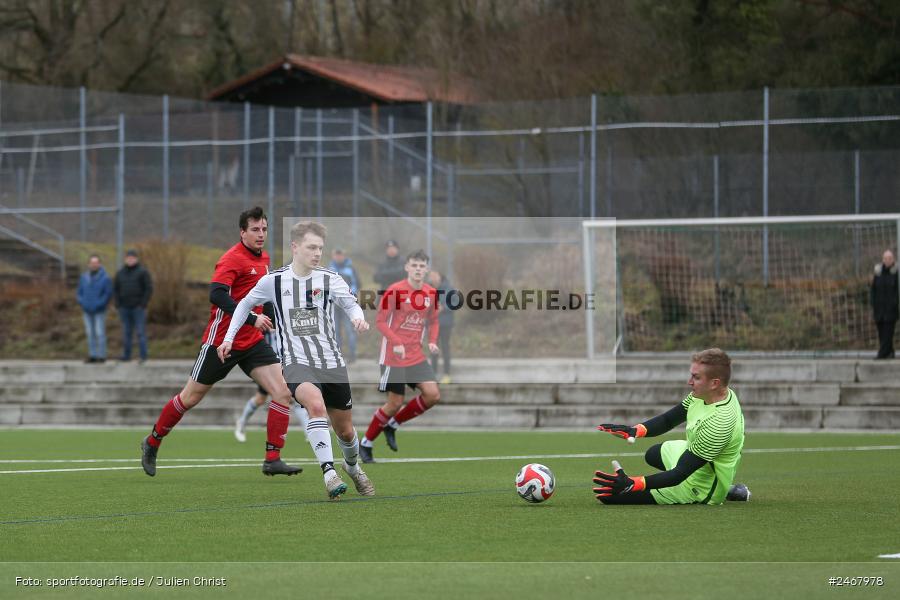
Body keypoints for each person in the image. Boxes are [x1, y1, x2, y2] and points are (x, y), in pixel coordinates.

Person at [139, 207, 301, 478]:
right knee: (190, 398)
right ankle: (152, 441)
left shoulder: (264, 258)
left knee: (283, 392)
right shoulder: (231, 259)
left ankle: (272, 459)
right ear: (242, 232)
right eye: (255, 229)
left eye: (264, 229)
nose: (261, 234)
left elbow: (262, 296)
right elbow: (216, 294)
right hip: (221, 342)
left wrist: (274, 318)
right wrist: (251, 318)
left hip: (252, 342)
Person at [219, 220, 375, 500]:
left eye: (320, 248)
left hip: (331, 363)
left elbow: (351, 304)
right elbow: (243, 305)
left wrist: (357, 318)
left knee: (346, 431)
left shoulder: (330, 278)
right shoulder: (274, 281)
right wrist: (229, 338)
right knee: (315, 407)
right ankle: (329, 473)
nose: (317, 253)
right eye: (311, 247)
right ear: (294, 247)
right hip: (295, 361)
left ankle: (352, 467)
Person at [593, 348, 749, 505]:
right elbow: (668, 420)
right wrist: (635, 431)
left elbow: (679, 474)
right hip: (695, 455)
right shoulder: (707, 394)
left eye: (696, 377)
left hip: (700, 486)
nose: (689, 382)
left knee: (610, 496)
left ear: (714, 383)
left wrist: (633, 483)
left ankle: (724, 490)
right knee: (653, 454)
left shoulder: (720, 423)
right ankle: (727, 487)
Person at [360, 250, 441, 464]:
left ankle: (393, 425)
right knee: (395, 402)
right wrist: (396, 342)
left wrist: (432, 341)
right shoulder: (395, 291)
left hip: (415, 354)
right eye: (414, 265)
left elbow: (434, 320)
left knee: (432, 395)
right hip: (393, 356)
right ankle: (365, 443)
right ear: (407, 267)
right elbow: (380, 322)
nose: (418, 269)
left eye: (422, 266)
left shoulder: (431, 293)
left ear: (427, 269)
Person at [235, 330, 310, 442]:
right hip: (268, 365)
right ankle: (242, 422)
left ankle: (308, 432)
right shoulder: (264, 324)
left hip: (286, 364)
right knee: (261, 398)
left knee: (293, 397)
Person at [114, 249, 153, 363]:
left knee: (140, 332)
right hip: (124, 308)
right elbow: (116, 289)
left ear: (136, 259)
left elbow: (148, 288)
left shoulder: (143, 272)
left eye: (132, 258)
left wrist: (143, 303)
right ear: (125, 259)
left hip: (138, 308)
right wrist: (118, 304)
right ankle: (127, 355)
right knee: (126, 333)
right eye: (128, 258)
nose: (130, 260)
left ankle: (143, 355)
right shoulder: (120, 273)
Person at [76, 254, 112, 363]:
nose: (94, 265)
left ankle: (101, 356)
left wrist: (99, 304)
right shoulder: (84, 277)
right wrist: (82, 303)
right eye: (92, 263)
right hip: (87, 310)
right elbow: (79, 293)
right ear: (89, 264)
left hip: (99, 311)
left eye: (96, 263)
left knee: (99, 333)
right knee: (90, 333)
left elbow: (107, 294)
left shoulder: (105, 278)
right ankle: (93, 355)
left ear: (99, 264)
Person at [328, 248, 361, 362]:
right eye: (336, 255)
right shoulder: (329, 268)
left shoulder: (351, 268)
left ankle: (352, 355)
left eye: (340, 255)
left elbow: (357, 284)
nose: (338, 257)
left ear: (344, 256)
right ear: (333, 256)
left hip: (347, 305)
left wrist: (348, 295)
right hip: (334, 305)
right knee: (335, 331)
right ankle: (338, 356)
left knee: (349, 330)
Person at [427, 270, 456, 383]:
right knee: (433, 348)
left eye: (435, 275)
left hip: (445, 324)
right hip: (431, 323)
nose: (433, 278)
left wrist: (443, 308)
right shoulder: (427, 289)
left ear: (440, 276)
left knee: (445, 348)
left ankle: (447, 374)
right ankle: (433, 374)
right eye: (431, 276)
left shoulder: (449, 288)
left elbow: (455, 303)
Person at [871, 249, 898, 359]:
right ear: (882, 259)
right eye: (885, 258)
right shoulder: (878, 273)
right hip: (879, 309)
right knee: (881, 332)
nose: (887, 260)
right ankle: (890, 352)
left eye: (890, 258)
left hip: (891, 309)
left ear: (893, 259)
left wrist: (895, 303)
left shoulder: (896, 273)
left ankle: (882, 354)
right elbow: (873, 289)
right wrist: (873, 303)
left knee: (888, 332)